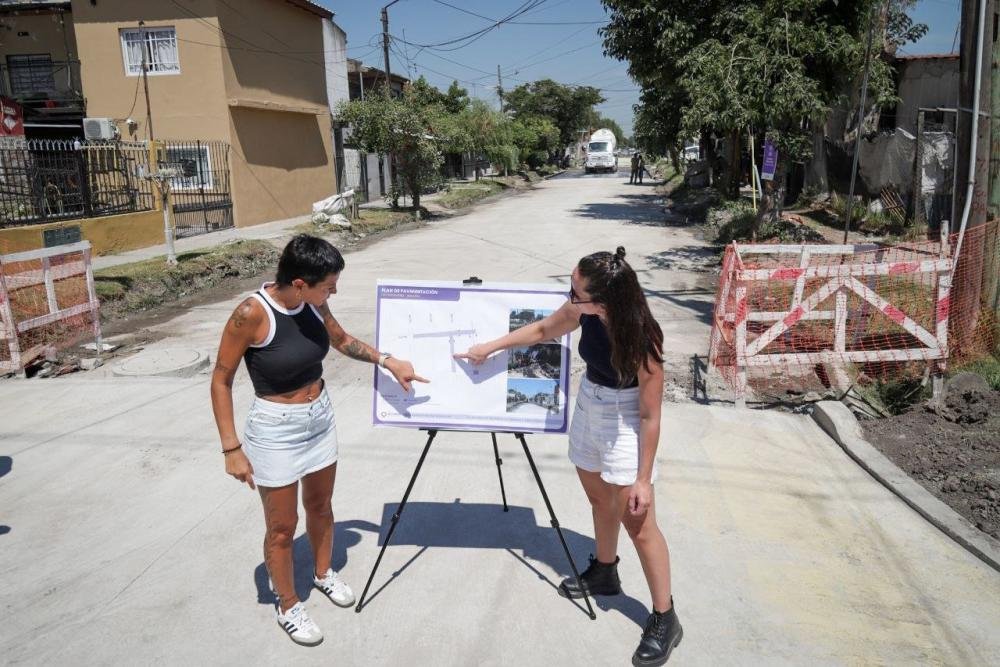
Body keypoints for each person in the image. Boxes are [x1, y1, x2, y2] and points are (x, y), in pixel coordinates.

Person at [455, 247, 682, 666]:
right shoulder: (585, 312)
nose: (570, 298)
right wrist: (489, 347)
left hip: (626, 417)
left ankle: (665, 617)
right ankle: (606, 569)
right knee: (598, 499)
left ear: (605, 300)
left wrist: (643, 479)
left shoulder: (644, 338)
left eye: (577, 293)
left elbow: (651, 415)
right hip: (590, 404)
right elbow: (542, 330)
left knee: (638, 520)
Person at [210, 234, 427, 647]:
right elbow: (221, 380)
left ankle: (323, 573)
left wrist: (387, 360)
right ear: (298, 283)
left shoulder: (313, 302)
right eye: (327, 285)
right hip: (276, 428)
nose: (333, 292)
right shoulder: (251, 314)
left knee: (321, 506)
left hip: (319, 418)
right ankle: (288, 604)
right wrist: (231, 448)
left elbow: (342, 340)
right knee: (281, 526)